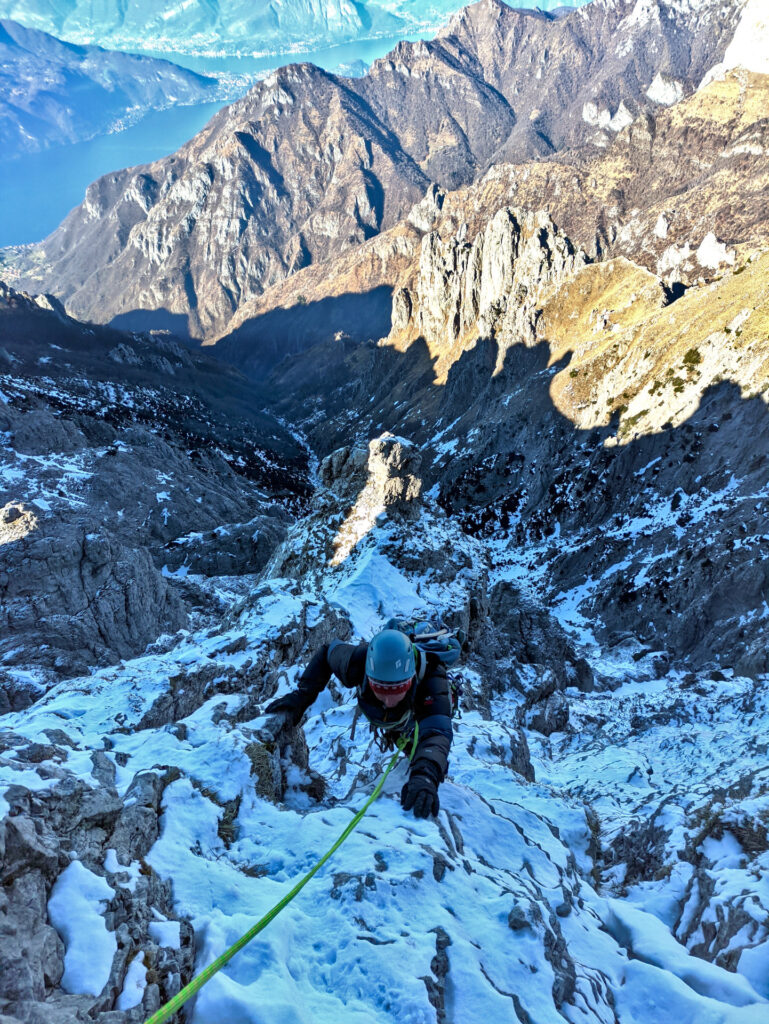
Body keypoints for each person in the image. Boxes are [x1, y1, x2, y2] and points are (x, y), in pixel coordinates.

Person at [265, 628, 453, 818]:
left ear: (411, 679)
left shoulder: (431, 676)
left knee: (422, 752)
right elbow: (328, 653)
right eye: (380, 688)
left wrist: (426, 775)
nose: (388, 701)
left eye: (398, 688)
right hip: (395, 719)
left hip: (416, 716)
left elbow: (437, 731)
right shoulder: (357, 662)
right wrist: (303, 695)